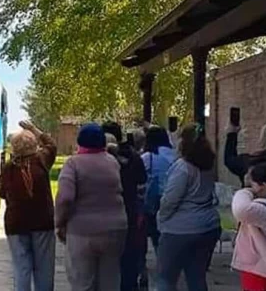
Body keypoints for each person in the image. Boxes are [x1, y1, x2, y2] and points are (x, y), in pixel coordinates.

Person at [56, 123, 127, 291]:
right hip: (115, 229)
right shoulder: (113, 162)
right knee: (110, 281)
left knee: (83, 282)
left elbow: (65, 198)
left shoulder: (73, 163)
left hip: (83, 231)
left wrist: (59, 222)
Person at [157, 123, 221, 291]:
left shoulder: (182, 168)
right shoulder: (208, 165)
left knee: (166, 278)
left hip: (180, 228)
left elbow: (170, 200)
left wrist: (161, 219)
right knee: (197, 277)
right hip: (208, 226)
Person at [0, 120, 58, 291]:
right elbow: (51, 144)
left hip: (16, 224)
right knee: (44, 269)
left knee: (21, 268)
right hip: (42, 223)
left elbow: (2, 193)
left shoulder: (9, 168)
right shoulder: (41, 160)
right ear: (33, 145)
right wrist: (32, 128)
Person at [103, 121, 148, 291]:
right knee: (129, 258)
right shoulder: (134, 156)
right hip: (129, 212)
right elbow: (143, 184)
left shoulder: (97, 160)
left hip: (104, 216)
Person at [232, 163, 266, 291]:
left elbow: (241, 209)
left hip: (258, 268)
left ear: (263, 186)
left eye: (253, 185)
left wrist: (245, 191)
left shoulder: (261, 209)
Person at [142, 125, 176, 251]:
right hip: (172, 196)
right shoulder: (174, 155)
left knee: (154, 230)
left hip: (154, 198)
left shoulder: (147, 157)